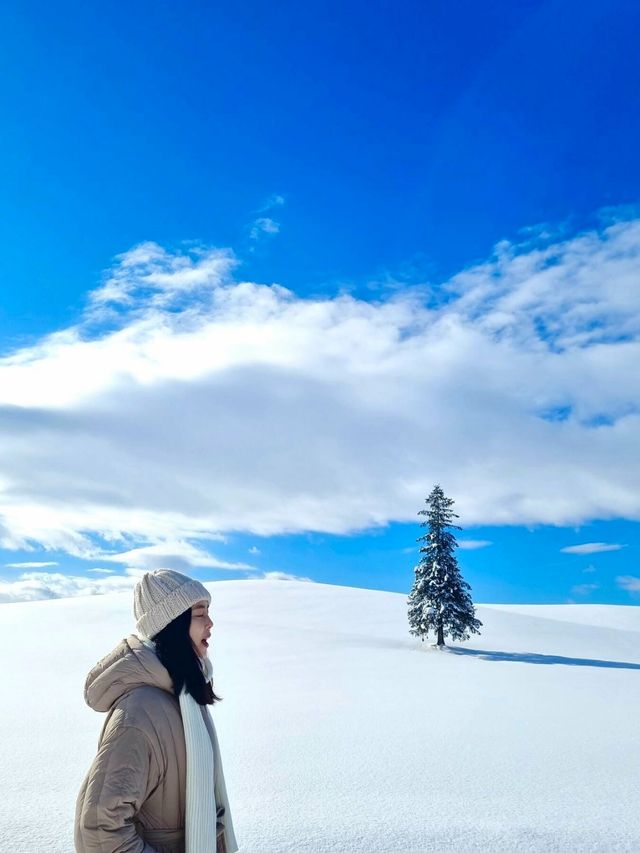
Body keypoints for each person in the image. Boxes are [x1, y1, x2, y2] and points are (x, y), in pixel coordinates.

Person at [75, 569, 239, 853]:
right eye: (200, 614)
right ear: (172, 624)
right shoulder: (139, 712)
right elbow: (101, 828)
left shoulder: (184, 698)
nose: (210, 623)